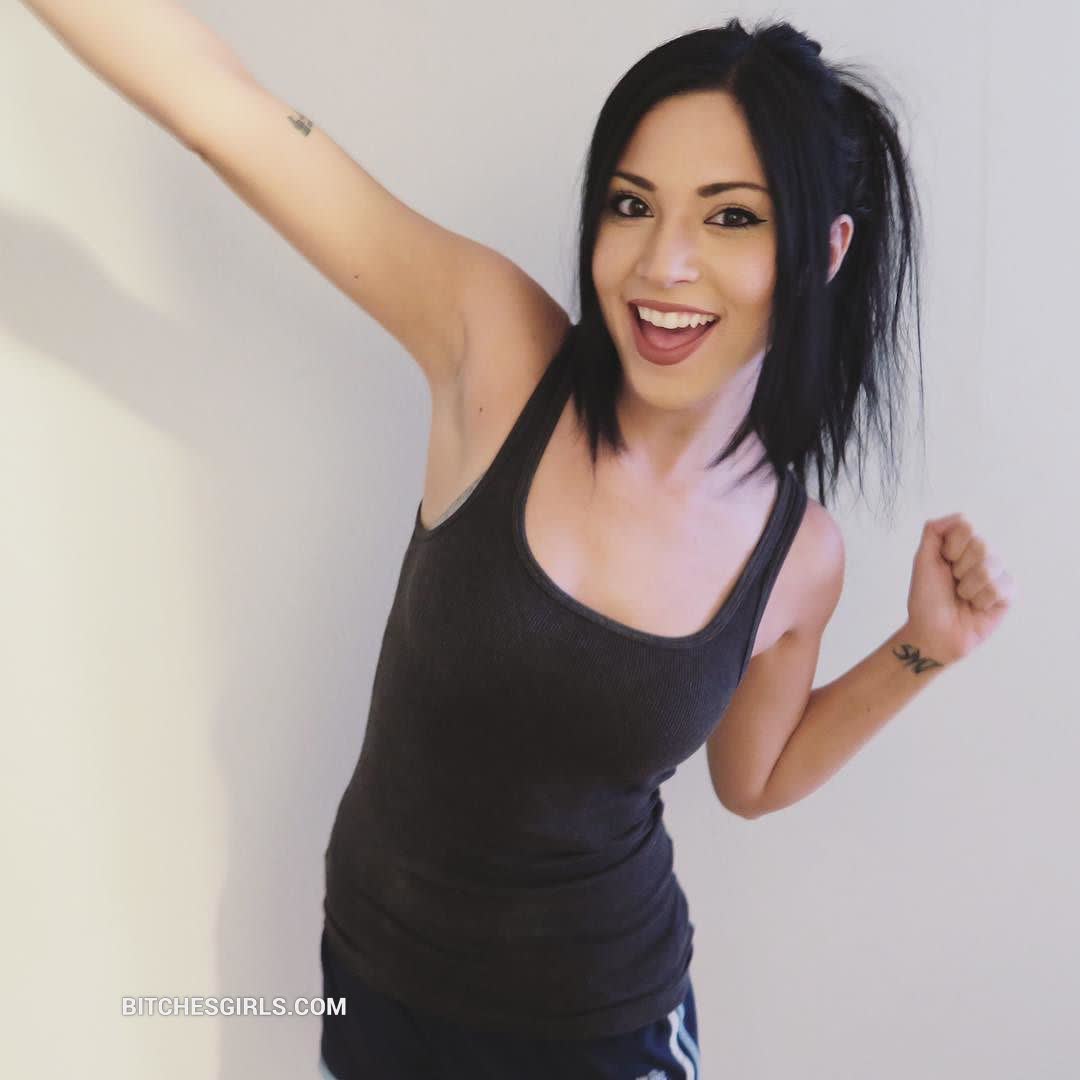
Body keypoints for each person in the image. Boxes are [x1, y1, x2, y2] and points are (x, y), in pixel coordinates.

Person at [23, 4, 1018, 1077]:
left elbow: (753, 779)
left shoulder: (798, 556)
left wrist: (923, 651)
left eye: (732, 218)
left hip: (600, 1031)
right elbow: (227, 112)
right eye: (632, 205)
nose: (664, 264)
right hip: (375, 976)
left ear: (825, 250)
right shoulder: (496, 347)